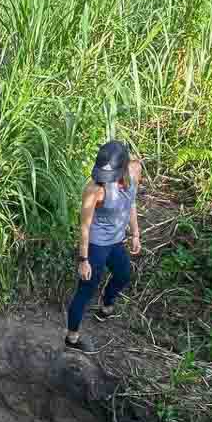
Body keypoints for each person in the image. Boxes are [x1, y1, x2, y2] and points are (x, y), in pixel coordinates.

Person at [65, 140, 142, 352]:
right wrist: (84, 259)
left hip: (116, 241)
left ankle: (106, 306)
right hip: (96, 245)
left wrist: (135, 233)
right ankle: (72, 338)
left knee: (123, 274)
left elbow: (131, 203)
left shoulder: (134, 173)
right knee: (86, 290)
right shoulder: (95, 189)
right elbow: (84, 226)